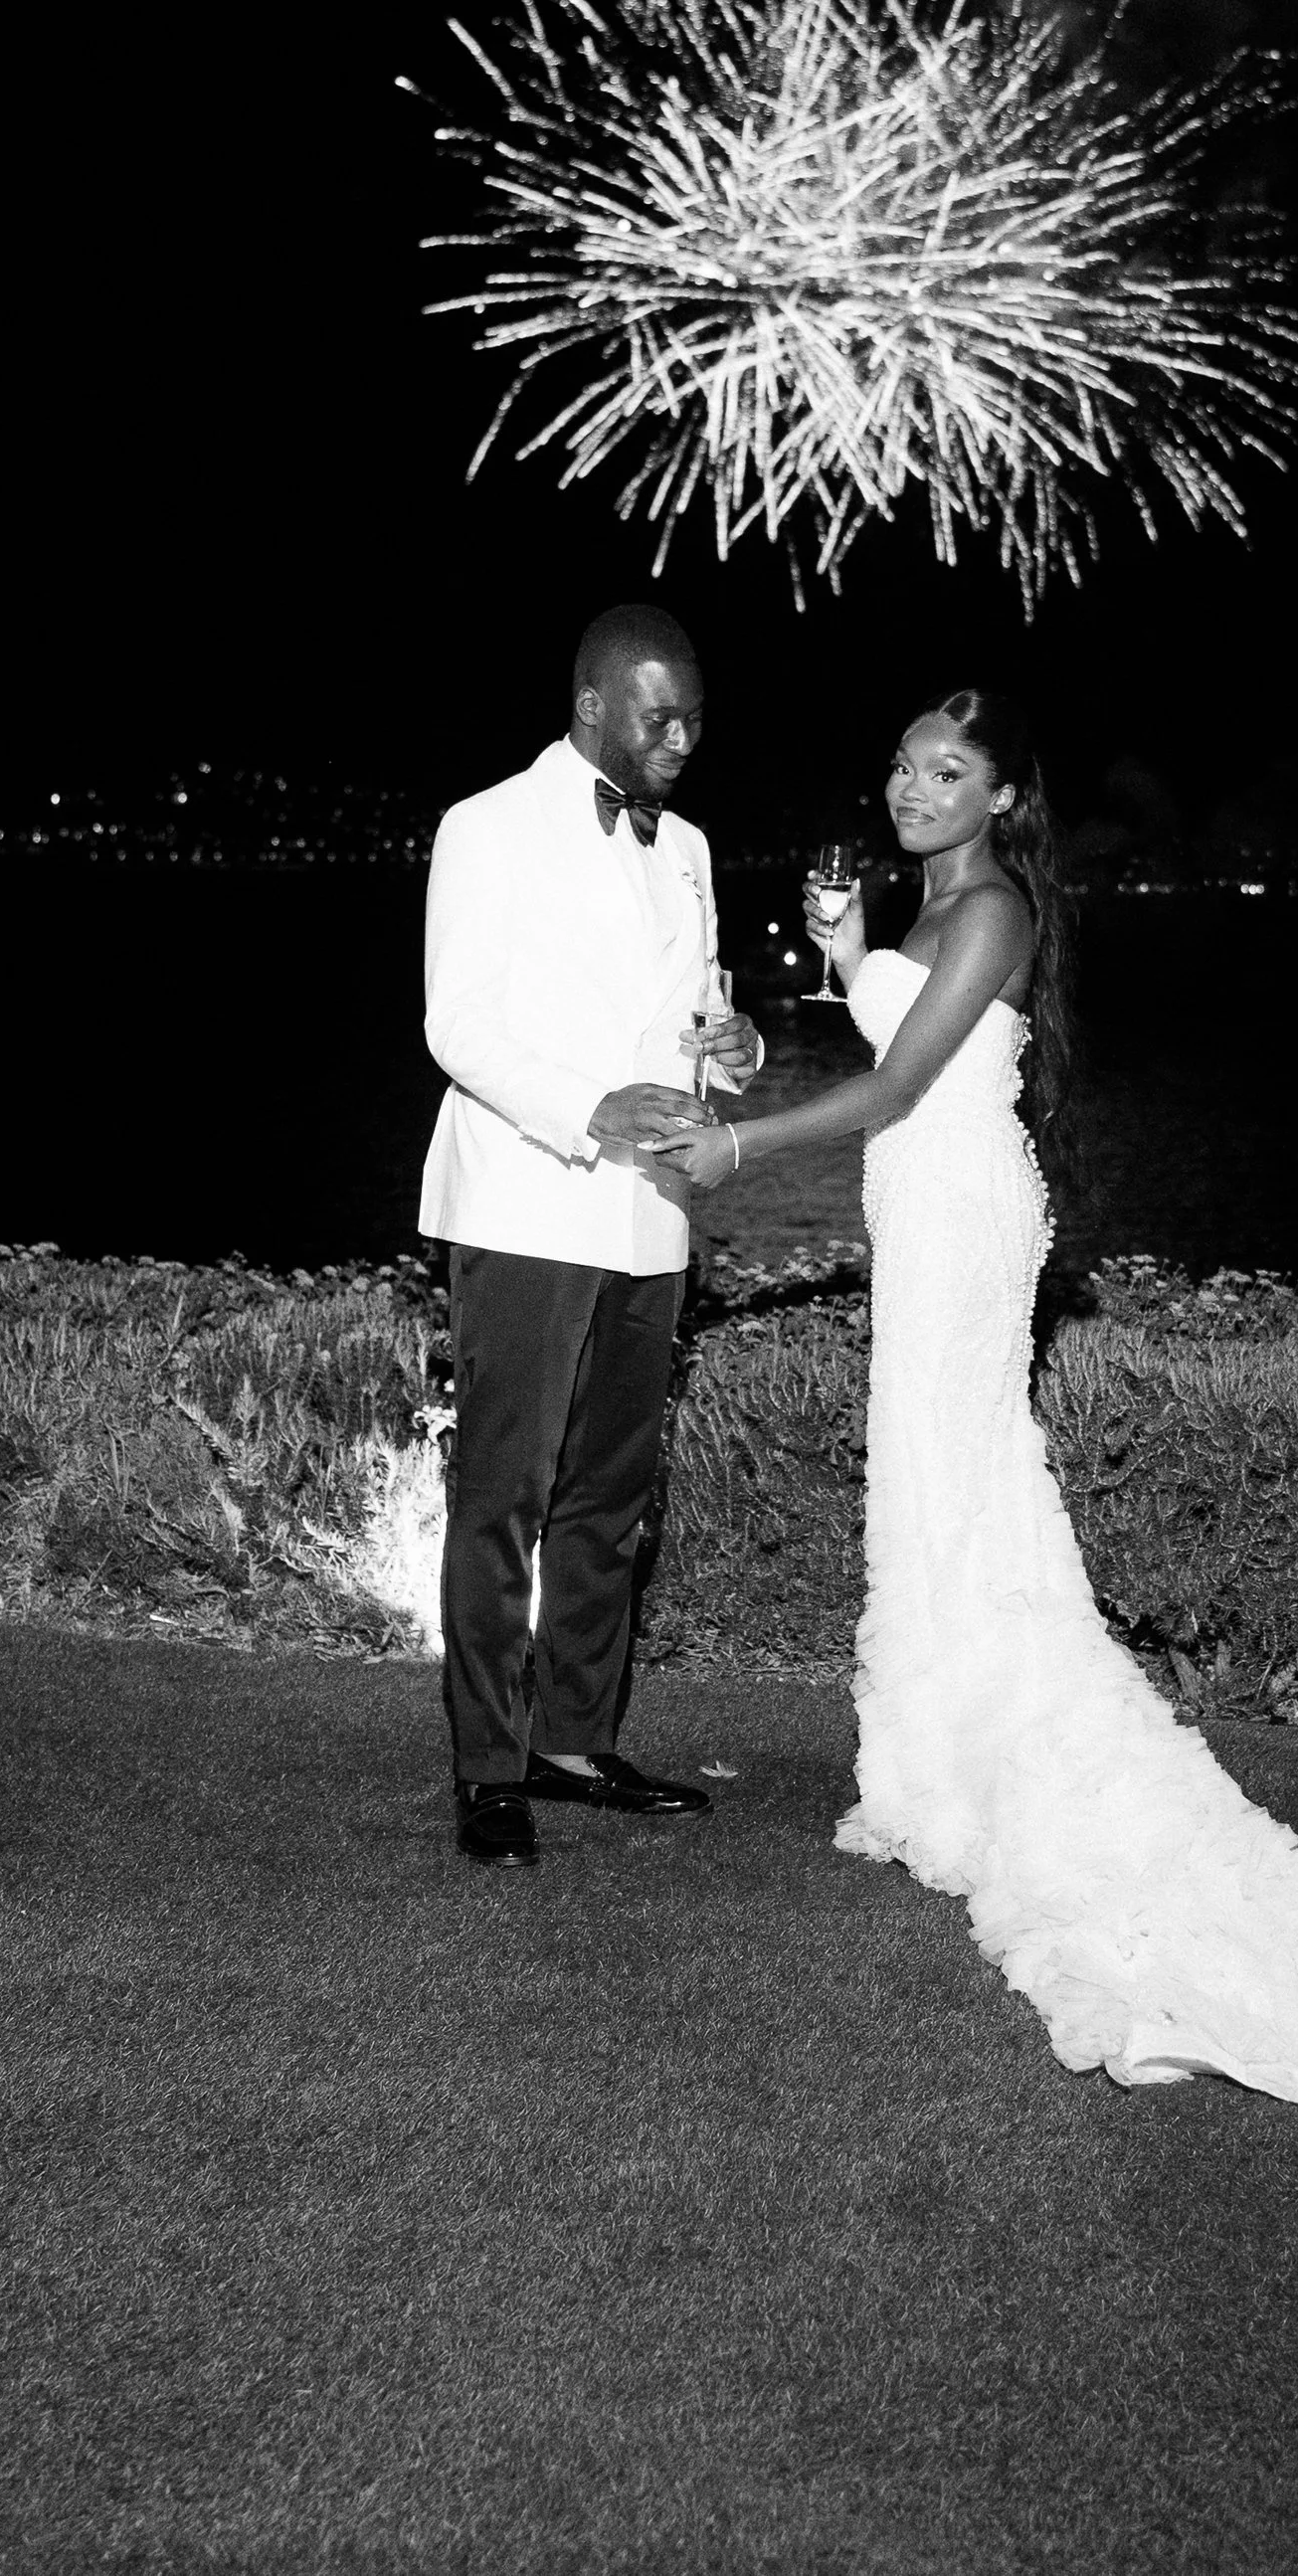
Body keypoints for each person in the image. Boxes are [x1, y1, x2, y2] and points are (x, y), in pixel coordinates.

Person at [653, 684, 1298, 2137]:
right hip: (921, 1215)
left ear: (999, 799)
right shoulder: (929, 908)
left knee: (955, 1462)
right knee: (939, 1479)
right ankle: (934, 1757)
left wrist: (735, 1143)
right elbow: (886, 1033)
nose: (915, 788)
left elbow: (905, 1085)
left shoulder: (992, 908)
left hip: (964, 1213)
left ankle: (981, 1764)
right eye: (903, 765)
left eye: (949, 772)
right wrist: (840, 946)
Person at [420, 605, 763, 1867]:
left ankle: (572, 1743)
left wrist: (738, 1049)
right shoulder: (487, 826)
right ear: (590, 706)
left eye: (692, 719)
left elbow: (696, 1015)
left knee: (611, 1494)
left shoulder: (692, 848)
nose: (681, 738)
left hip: (647, 1215)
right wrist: (585, 1111)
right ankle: (486, 1767)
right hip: (526, 1199)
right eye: (657, 715)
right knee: (504, 1489)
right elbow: (456, 1023)